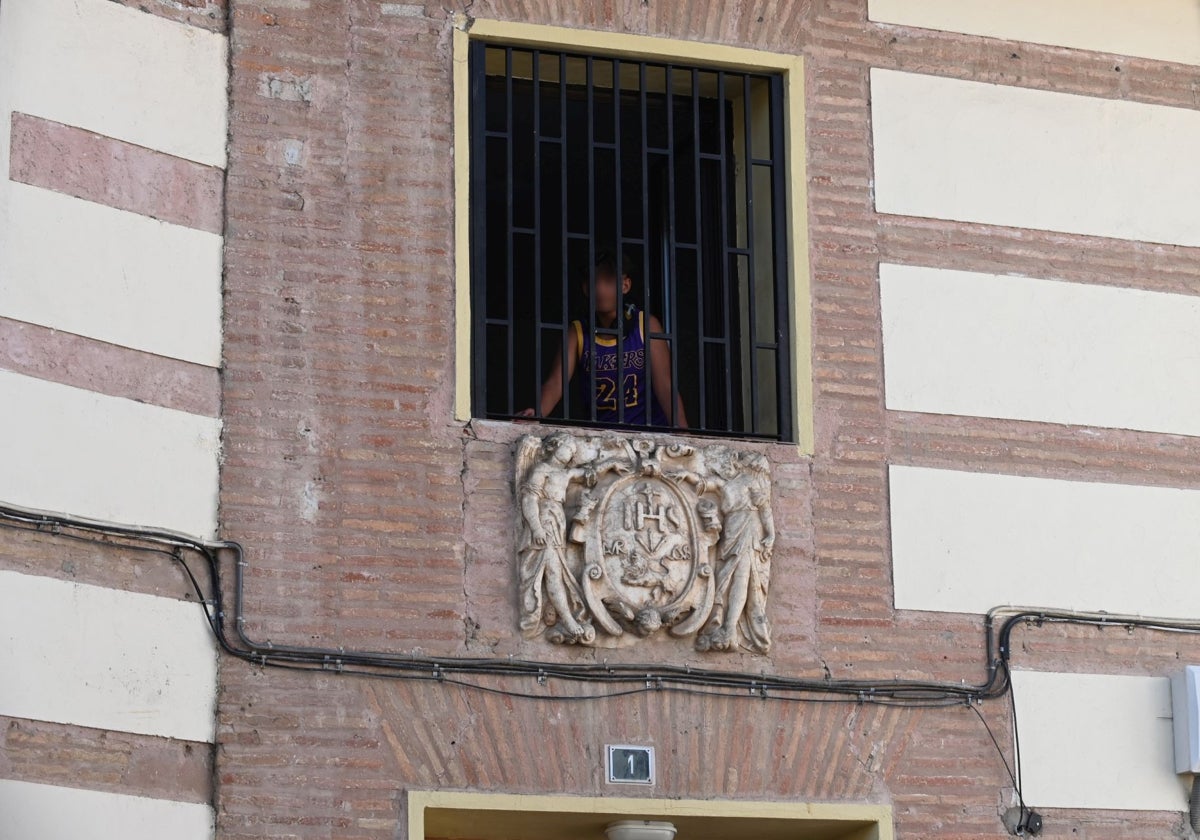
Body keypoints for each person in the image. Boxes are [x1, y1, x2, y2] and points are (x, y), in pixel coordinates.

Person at [518, 249, 688, 428]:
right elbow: (556, 382)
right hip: (603, 436)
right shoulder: (578, 331)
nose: (600, 289)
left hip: (650, 432)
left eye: (608, 281)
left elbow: (665, 385)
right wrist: (537, 413)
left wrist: (683, 432)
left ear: (625, 285)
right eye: (593, 282)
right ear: (585, 288)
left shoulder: (646, 324)